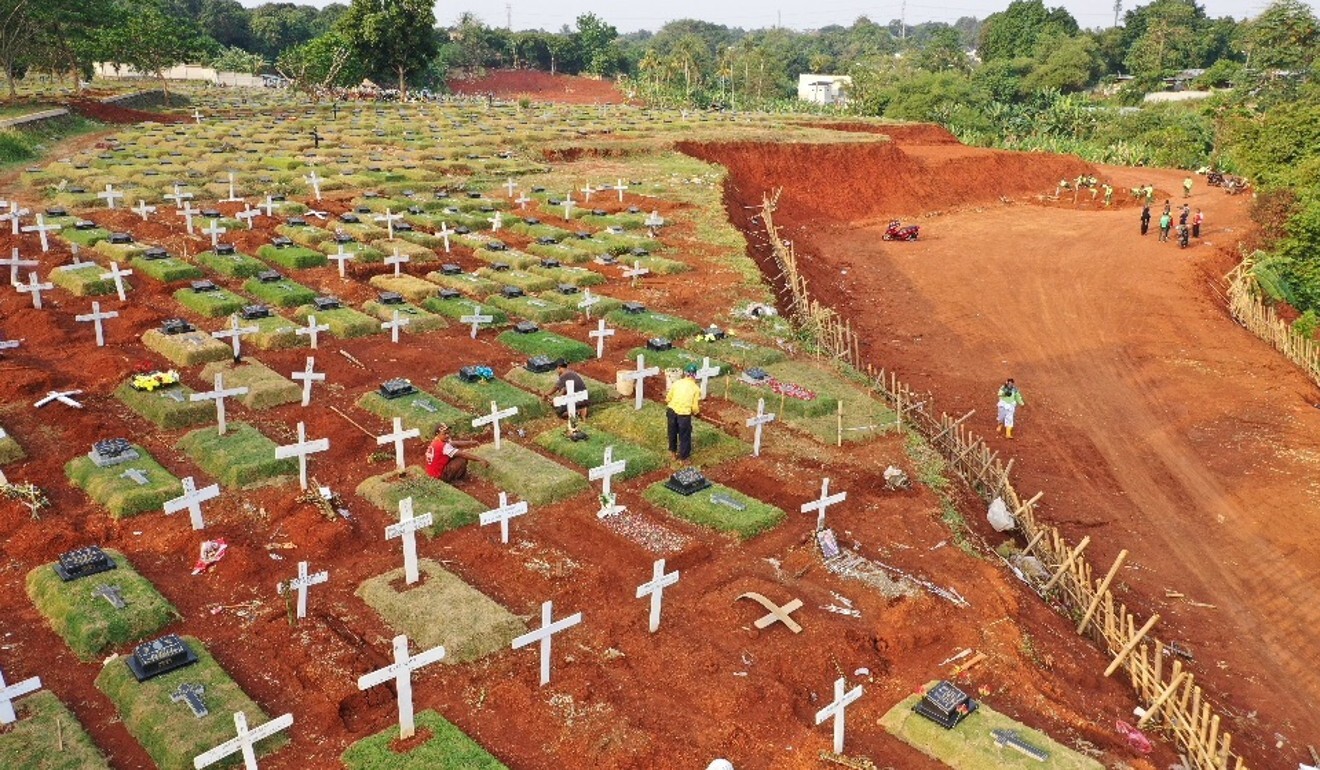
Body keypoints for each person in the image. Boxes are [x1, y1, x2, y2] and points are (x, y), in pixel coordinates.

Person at [665, 363, 702, 462]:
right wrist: (697, 413)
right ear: (695, 375)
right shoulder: (695, 388)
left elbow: (668, 398)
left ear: (685, 373)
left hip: (671, 411)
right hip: (684, 415)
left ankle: (672, 453)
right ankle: (684, 458)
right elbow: (694, 407)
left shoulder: (677, 383)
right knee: (685, 435)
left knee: (672, 432)